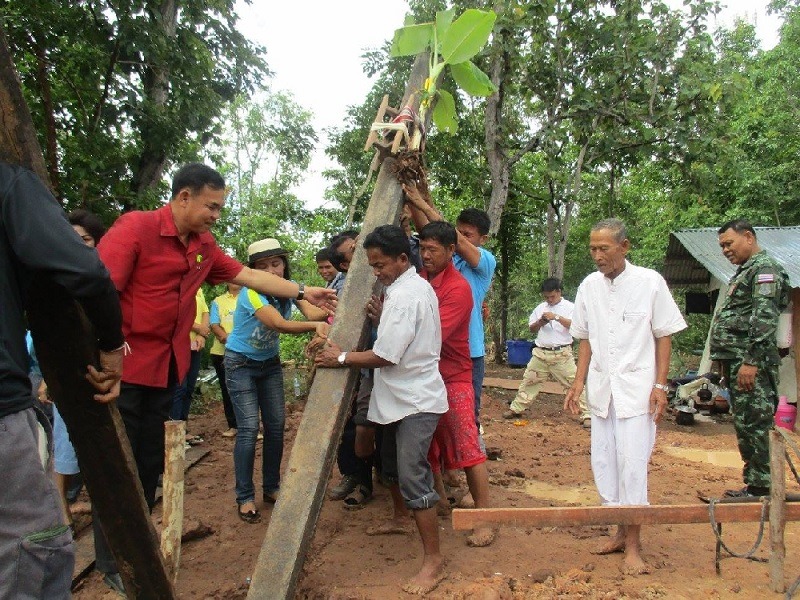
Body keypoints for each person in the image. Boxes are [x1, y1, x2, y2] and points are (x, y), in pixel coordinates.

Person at [93, 163, 335, 591]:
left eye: (221, 209)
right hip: (126, 367)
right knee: (119, 459)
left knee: (149, 459)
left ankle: (136, 537)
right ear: (183, 197)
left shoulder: (203, 246)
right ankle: (112, 557)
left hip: (169, 366)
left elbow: (247, 275)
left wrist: (301, 292)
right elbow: (99, 292)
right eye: (212, 206)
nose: (216, 216)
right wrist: (105, 352)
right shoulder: (136, 229)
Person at [0, 161, 123, 598]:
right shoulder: (10, 183)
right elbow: (87, 274)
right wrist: (113, 344)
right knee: (35, 549)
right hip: (5, 406)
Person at [316, 224, 448, 595]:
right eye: (372, 266)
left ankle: (434, 560)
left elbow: (386, 355)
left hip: (416, 400)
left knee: (411, 474)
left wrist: (339, 356)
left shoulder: (407, 296)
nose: (376, 272)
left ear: (403, 259)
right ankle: (401, 518)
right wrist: (380, 318)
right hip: (398, 397)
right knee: (388, 464)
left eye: (380, 265)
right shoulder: (403, 290)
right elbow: (402, 337)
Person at [564, 218, 686, 575]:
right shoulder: (589, 286)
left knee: (633, 464)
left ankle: (634, 544)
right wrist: (577, 382)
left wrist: (660, 386)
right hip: (602, 391)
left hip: (637, 391)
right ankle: (618, 531)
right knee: (605, 463)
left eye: (604, 248)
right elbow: (584, 338)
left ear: (625, 246)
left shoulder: (650, 283)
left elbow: (664, 334)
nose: (597, 255)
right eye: (593, 249)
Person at [226, 238, 330, 523]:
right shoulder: (251, 293)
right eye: (263, 266)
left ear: (284, 264)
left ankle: (271, 487)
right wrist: (316, 326)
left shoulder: (291, 289)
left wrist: (335, 304)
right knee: (248, 429)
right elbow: (278, 324)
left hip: (269, 364)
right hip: (241, 364)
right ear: (253, 270)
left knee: (276, 426)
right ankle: (245, 496)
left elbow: (314, 312)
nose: (271, 271)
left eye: (276, 263)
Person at [418, 221, 495, 547]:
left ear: (452, 251)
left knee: (467, 443)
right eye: (422, 249)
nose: (425, 255)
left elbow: (430, 336)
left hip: (453, 376)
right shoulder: (420, 281)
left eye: (432, 250)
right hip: (424, 375)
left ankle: (485, 519)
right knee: (429, 442)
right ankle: (439, 499)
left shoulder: (459, 287)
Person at [402, 181, 496, 427]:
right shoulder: (446, 258)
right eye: (460, 231)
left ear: (482, 239)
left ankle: (473, 453)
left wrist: (421, 202)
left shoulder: (484, 262)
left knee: (466, 415)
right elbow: (433, 234)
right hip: (436, 348)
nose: (462, 238)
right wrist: (414, 206)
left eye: (469, 235)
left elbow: (449, 235)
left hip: (469, 352)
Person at [709, 219, 790, 497]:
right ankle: (756, 484)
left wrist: (751, 362)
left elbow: (765, 318)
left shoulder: (765, 271)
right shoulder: (747, 272)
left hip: (752, 363)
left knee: (755, 423)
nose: (725, 250)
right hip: (739, 362)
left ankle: (762, 486)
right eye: (721, 246)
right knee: (745, 423)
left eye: (728, 244)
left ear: (748, 237)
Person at [503, 278, 590, 426]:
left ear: (559, 292)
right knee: (529, 380)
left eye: (552, 296)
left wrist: (556, 317)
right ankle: (517, 408)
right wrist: (541, 322)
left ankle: (588, 414)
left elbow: (576, 326)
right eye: (546, 297)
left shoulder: (570, 307)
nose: (549, 300)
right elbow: (532, 328)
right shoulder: (540, 308)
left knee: (573, 382)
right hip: (540, 353)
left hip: (561, 354)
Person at [170, 287, 210, 427]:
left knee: (189, 388)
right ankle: (174, 430)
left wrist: (201, 334)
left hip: (195, 345)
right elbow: (175, 313)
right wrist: (199, 328)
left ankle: (184, 428)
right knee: (179, 387)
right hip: (178, 344)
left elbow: (205, 312)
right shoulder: (176, 284)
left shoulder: (198, 287)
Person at [210, 282, 242, 437]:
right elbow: (214, 325)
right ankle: (233, 425)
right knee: (227, 389)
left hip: (246, 352)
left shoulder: (250, 297)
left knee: (248, 388)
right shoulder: (218, 301)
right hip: (221, 352)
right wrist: (229, 339)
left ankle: (249, 426)